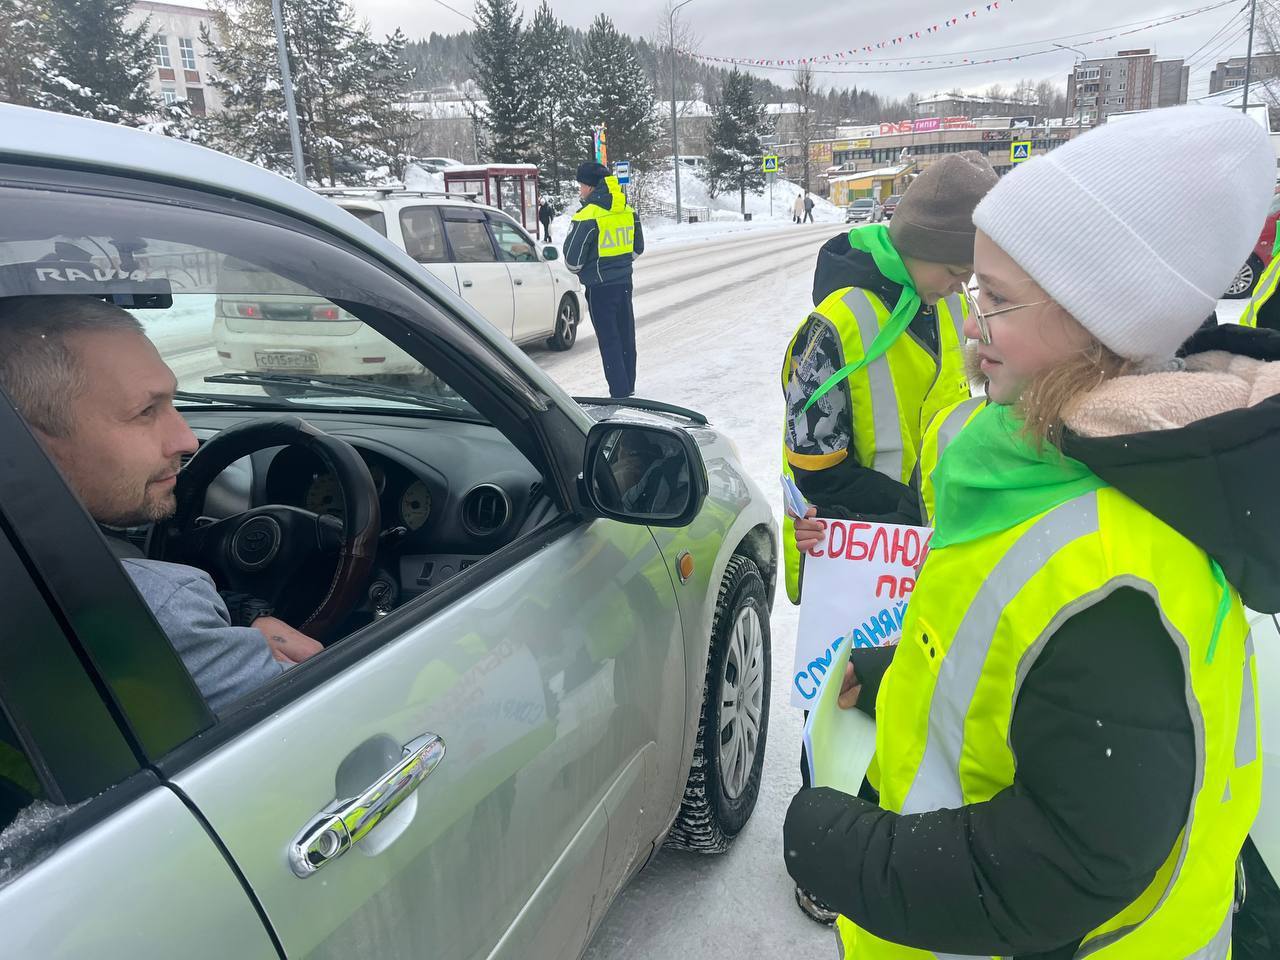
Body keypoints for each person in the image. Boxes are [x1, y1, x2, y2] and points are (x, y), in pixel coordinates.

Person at [784, 105, 1275, 960]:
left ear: (1100, 323)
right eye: (973, 289)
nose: (971, 324)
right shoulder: (1057, 463)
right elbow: (1021, 650)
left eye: (999, 301)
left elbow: (1066, 868)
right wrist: (909, 660)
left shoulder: (1122, 577)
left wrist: (847, 853)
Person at [782, 151, 996, 926]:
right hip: (852, 555)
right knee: (832, 704)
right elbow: (815, 460)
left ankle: (881, 830)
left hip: (917, 554)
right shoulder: (834, 326)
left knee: (900, 699)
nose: (963, 288)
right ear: (926, 250)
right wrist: (905, 515)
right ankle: (822, 860)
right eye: (958, 271)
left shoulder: (932, 306)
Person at [0, 295, 323, 715]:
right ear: (24, 440)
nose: (187, 441)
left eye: (172, 402)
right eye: (146, 412)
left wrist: (240, 615)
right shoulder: (156, 611)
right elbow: (341, 728)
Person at [564, 161, 645, 399]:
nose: (580, 190)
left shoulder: (588, 215)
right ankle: (628, 386)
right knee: (626, 336)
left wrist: (596, 268)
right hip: (624, 283)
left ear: (589, 186)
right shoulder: (627, 210)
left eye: (581, 185)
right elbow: (637, 248)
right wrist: (618, 264)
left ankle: (619, 395)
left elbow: (572, 261)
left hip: (600, 288)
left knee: (609, 341)